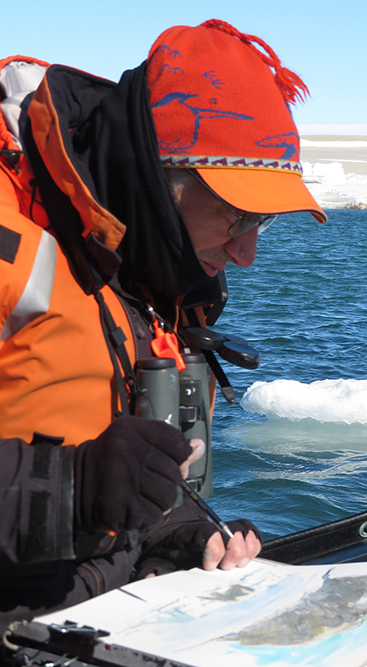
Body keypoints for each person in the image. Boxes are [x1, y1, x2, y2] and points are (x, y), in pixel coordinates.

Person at [0, 19, 326, 631]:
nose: (246, 254)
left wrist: (174, 537)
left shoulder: (157, 274)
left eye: (264, 224)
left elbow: (114, 478)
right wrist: (70, 490)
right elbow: (79, 483)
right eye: (236, 216)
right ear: (155, 177)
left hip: (105, 620)